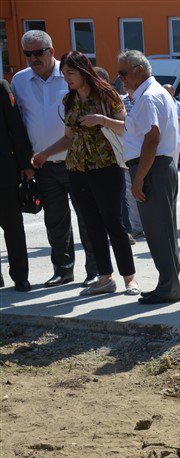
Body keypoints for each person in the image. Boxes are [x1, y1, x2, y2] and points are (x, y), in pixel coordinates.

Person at [33, 52, 139, 296]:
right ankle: (104, 277)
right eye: (64, 74)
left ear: (83, 71)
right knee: (92, 225)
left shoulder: (106, 95)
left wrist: (102, 120)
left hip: (106, 167)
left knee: (114, 223)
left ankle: (129, 278)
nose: (66, 78)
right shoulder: (69, 100)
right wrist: (44, 154)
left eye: (70, 73)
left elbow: (126, 128)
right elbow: (69, 138)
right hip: (78, 169)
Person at [11, 30, 98, 287]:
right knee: (55, 221)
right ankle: (63, 270)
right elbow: (18, 126)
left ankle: (95, 270)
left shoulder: (71, 74)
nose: (33, 58)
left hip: (78, 161)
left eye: (38, 53)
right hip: (44, 166)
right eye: (28, 54)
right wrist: (25, 163)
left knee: (87, 218)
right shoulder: (19, 80)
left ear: (51, 50)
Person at [118, 50, 180, 305]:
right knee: (163, 231)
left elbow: (151, 139)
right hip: (157, 168)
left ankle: (168, 287)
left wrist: (138, 179)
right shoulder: (153, 94)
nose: (120, 78)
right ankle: (168, 284)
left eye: (123, 73)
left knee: (159, 232)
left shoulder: (149, 97)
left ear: (139, 70)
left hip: (152, 168)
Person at [0, 78, 33, 291]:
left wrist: (25, 163)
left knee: (12, 226)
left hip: (4, 171)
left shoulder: (1, 87)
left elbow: (16, 126)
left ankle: (20, 276)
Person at [118, 81, 142, 244]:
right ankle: (137, 227)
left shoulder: (146, 100)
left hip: (144, 151)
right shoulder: (120, 102)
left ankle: (148, 225)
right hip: (127, 153)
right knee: (130, 193)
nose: (126, 85)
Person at [163, 84, 180, 168]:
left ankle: (173, 181)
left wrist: (172, 116)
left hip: (175, 141)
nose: (166, 94)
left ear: (173, 92)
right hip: (162, 140)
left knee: (174, 165)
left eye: (168, 92)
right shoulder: (159, 104)